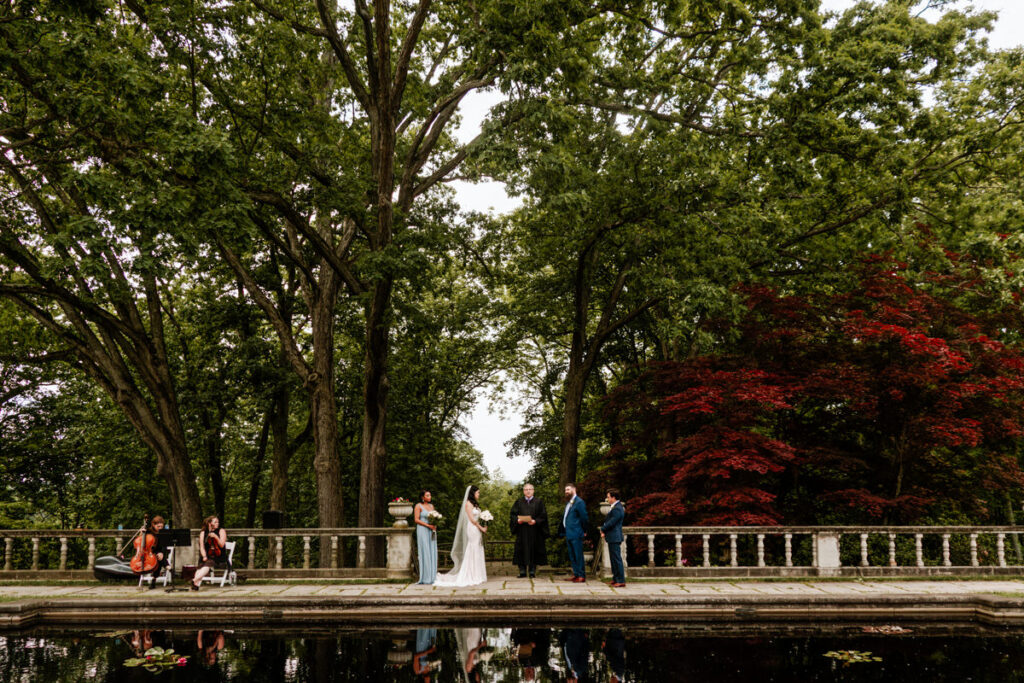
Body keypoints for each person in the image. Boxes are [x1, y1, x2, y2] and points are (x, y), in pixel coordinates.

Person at [435, 485, 488, 586]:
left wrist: (484, 522)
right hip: (473, 528)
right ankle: (471, 574)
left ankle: (478, 574)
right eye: (478, 492)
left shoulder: (475, 504)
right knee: (473, 548)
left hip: (476, 528)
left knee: (477, 548)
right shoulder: (468, 504)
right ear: (473, 493)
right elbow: (472, 520)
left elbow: (477, 517)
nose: (479, 494)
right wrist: (481, 528)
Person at [509, 483, 548, 578]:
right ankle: (522, 571)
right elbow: (513, 515)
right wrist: (517, 520)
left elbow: (543, 516)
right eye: (526, 489)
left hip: (534, 531)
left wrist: (535, 521)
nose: (528, 491)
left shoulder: (539, 502)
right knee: (520, 550)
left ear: (533, 490)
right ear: (523, 491)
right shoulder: (519, 502)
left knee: (533, 550)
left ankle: (532, 571)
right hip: (522, 531)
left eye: (530, 489)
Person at [557, 483, 588, 582]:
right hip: (568, 533)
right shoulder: (569, 503)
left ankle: (581, 576)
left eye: (568, 489)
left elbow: (584, 518)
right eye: (565, 490)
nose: (566, 492)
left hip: (576, 532)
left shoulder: (579, 502)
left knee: (578, 555)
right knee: (572, 555)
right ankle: (576, 574)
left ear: (574, 490)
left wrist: (584, 530)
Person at [191, 515, 227, 591]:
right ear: (210, 524)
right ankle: (195, 585)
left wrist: (216, 537)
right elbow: (202, 546)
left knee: (207, 564)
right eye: (215, 522)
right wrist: (204, 556)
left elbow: (222, 544)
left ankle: (194, 580)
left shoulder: (221, 530)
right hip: (207, 554)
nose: (217, 523)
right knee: (201, 565)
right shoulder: (203, 533)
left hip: (218, 555)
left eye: (218, 522)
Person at [600, 489, 626, 587]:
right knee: (613, 559)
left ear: (613, 497)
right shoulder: (615, 507)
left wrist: (603, 529)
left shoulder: (618, 508)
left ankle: (620, 580)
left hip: (615, 536)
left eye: (608, 497)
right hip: (612, 536)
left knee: (616, 559)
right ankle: (615, 578)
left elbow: (612, 522)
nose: (607, 499)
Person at [414, 490, 438, 584]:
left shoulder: (431, 506)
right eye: (427, 495)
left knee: (432, 550)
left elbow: (434, 517)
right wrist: (428, 525)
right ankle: (425, 577)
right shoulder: (418, 506)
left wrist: (435, 524)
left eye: (430, 495)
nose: (429, 497)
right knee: (425, 551)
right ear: (422, 497)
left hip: (432, 530)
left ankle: (433, 575)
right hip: (423, 530)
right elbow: (416, 519)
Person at [145, 515, 170, 589]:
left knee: (159, 558)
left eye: (161, 526)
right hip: (149, 552)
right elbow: (142, 542)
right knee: (158, 558)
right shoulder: (148, 532)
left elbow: (164, 545)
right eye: (158, 526)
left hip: (159, 552)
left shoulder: (163, 533)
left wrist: (161, 553)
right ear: (153, 525)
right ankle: (167, 566)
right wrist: (142, 533)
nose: (160, 527)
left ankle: (153, 580)